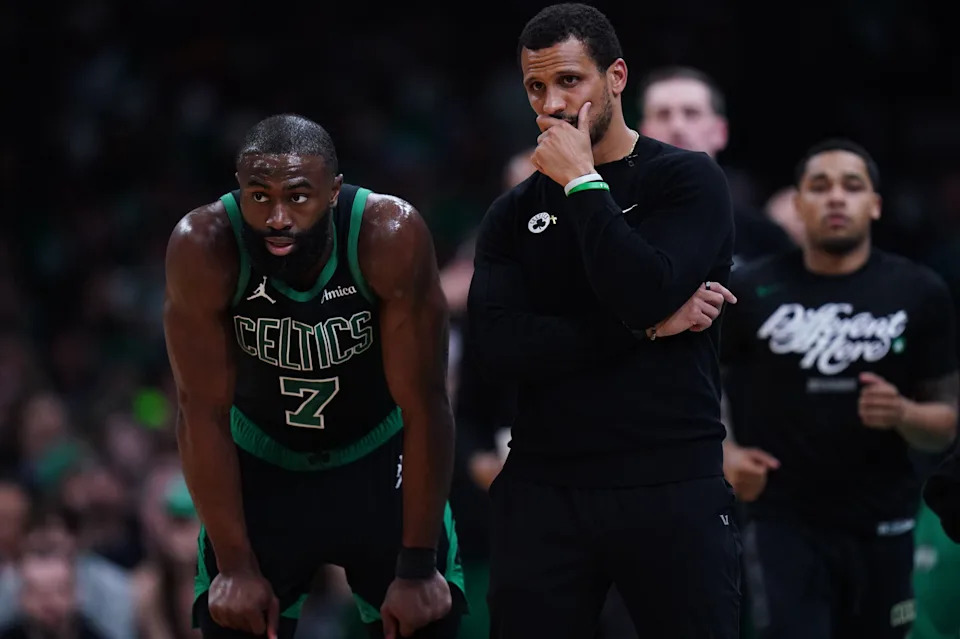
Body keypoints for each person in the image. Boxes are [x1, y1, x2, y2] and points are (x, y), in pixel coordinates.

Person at [467, 4, 741, 637]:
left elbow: (639, 290)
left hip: (670, 477)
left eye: (570, 81)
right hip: (545, 484)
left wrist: (584, 184)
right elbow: (500, 348)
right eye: (537, 87)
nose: (553, 103)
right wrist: (641, 331)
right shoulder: (511, 213)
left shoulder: (688, 180)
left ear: (616, 77)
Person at [162, 113, 464, 639]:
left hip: (378, 458)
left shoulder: (389, 234)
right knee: (233, 618)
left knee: (425, 619)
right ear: (238, 189)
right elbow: (199, 412)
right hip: (263, 462)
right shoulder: (202, 244)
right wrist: (234, 565)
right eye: (259, 195)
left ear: (333, 192)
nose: (277, 215)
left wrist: (416, 564)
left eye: (298, 196)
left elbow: (426, 405)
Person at [721, 138, 959, 639]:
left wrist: (903, 415)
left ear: (874, 205)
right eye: (819, 186)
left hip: (885, 520)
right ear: (798, 203)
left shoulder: (920, 292)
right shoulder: (751, 292)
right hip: (780, 519)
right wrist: (726, 451)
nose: (835, 198)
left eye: (852, 187)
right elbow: (702, 388)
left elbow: (945, 425)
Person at [637, 66, 795, 269]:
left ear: (720, 132)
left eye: (691, 113)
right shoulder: (614, 226)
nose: (677, 127)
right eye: (663, 115)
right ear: (642, 133)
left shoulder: (763, 238)